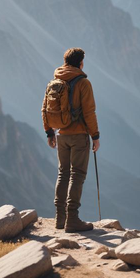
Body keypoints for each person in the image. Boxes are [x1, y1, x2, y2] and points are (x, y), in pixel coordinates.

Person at [42, 48, 100, 232]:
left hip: (61, 135)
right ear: (80, 63)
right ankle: (72, 219)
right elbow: (89, 112)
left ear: (65, 62)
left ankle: (60, 218)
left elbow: (44, 108)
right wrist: (95, 136)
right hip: (79, 135)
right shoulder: (83, 83)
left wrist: (49, 132)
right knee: (77, 175)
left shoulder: (55, 81)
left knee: (63, 174)